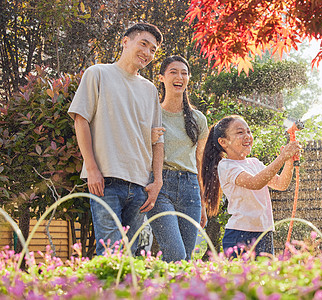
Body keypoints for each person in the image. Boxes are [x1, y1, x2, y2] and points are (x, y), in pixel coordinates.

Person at [68, 23, 164, 256]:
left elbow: (158, 140)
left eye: (153, 50)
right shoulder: (98, 73)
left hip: (140, 186)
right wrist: (91, 168)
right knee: (111, 253)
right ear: (125, 41)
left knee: (129, 256)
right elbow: (80, 120)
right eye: (143, 44)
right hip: (106, 181)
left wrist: (157, 181)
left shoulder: (150, 90)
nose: (148, 53)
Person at [201, 115, 301, 257]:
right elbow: (255, 183)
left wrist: (289, 161)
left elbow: (281, 184)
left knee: (265, 278)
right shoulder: (226, 166)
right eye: (240, 132)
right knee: (242, 278)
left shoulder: (254, 163)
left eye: (248, 131)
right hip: (240, 233)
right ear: (223, 142)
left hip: (264, 232)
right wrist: (282, 157)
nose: (247, 136)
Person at [145, 55, 208, 262]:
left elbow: (200, 163)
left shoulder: (198, 119)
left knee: (186, 258)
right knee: (175, 254)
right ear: (161, 78)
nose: (179, 76)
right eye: (173, 72)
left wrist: (203, 204)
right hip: (160, 186)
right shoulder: (152, 113)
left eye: (184, 73)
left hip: (190, 189)